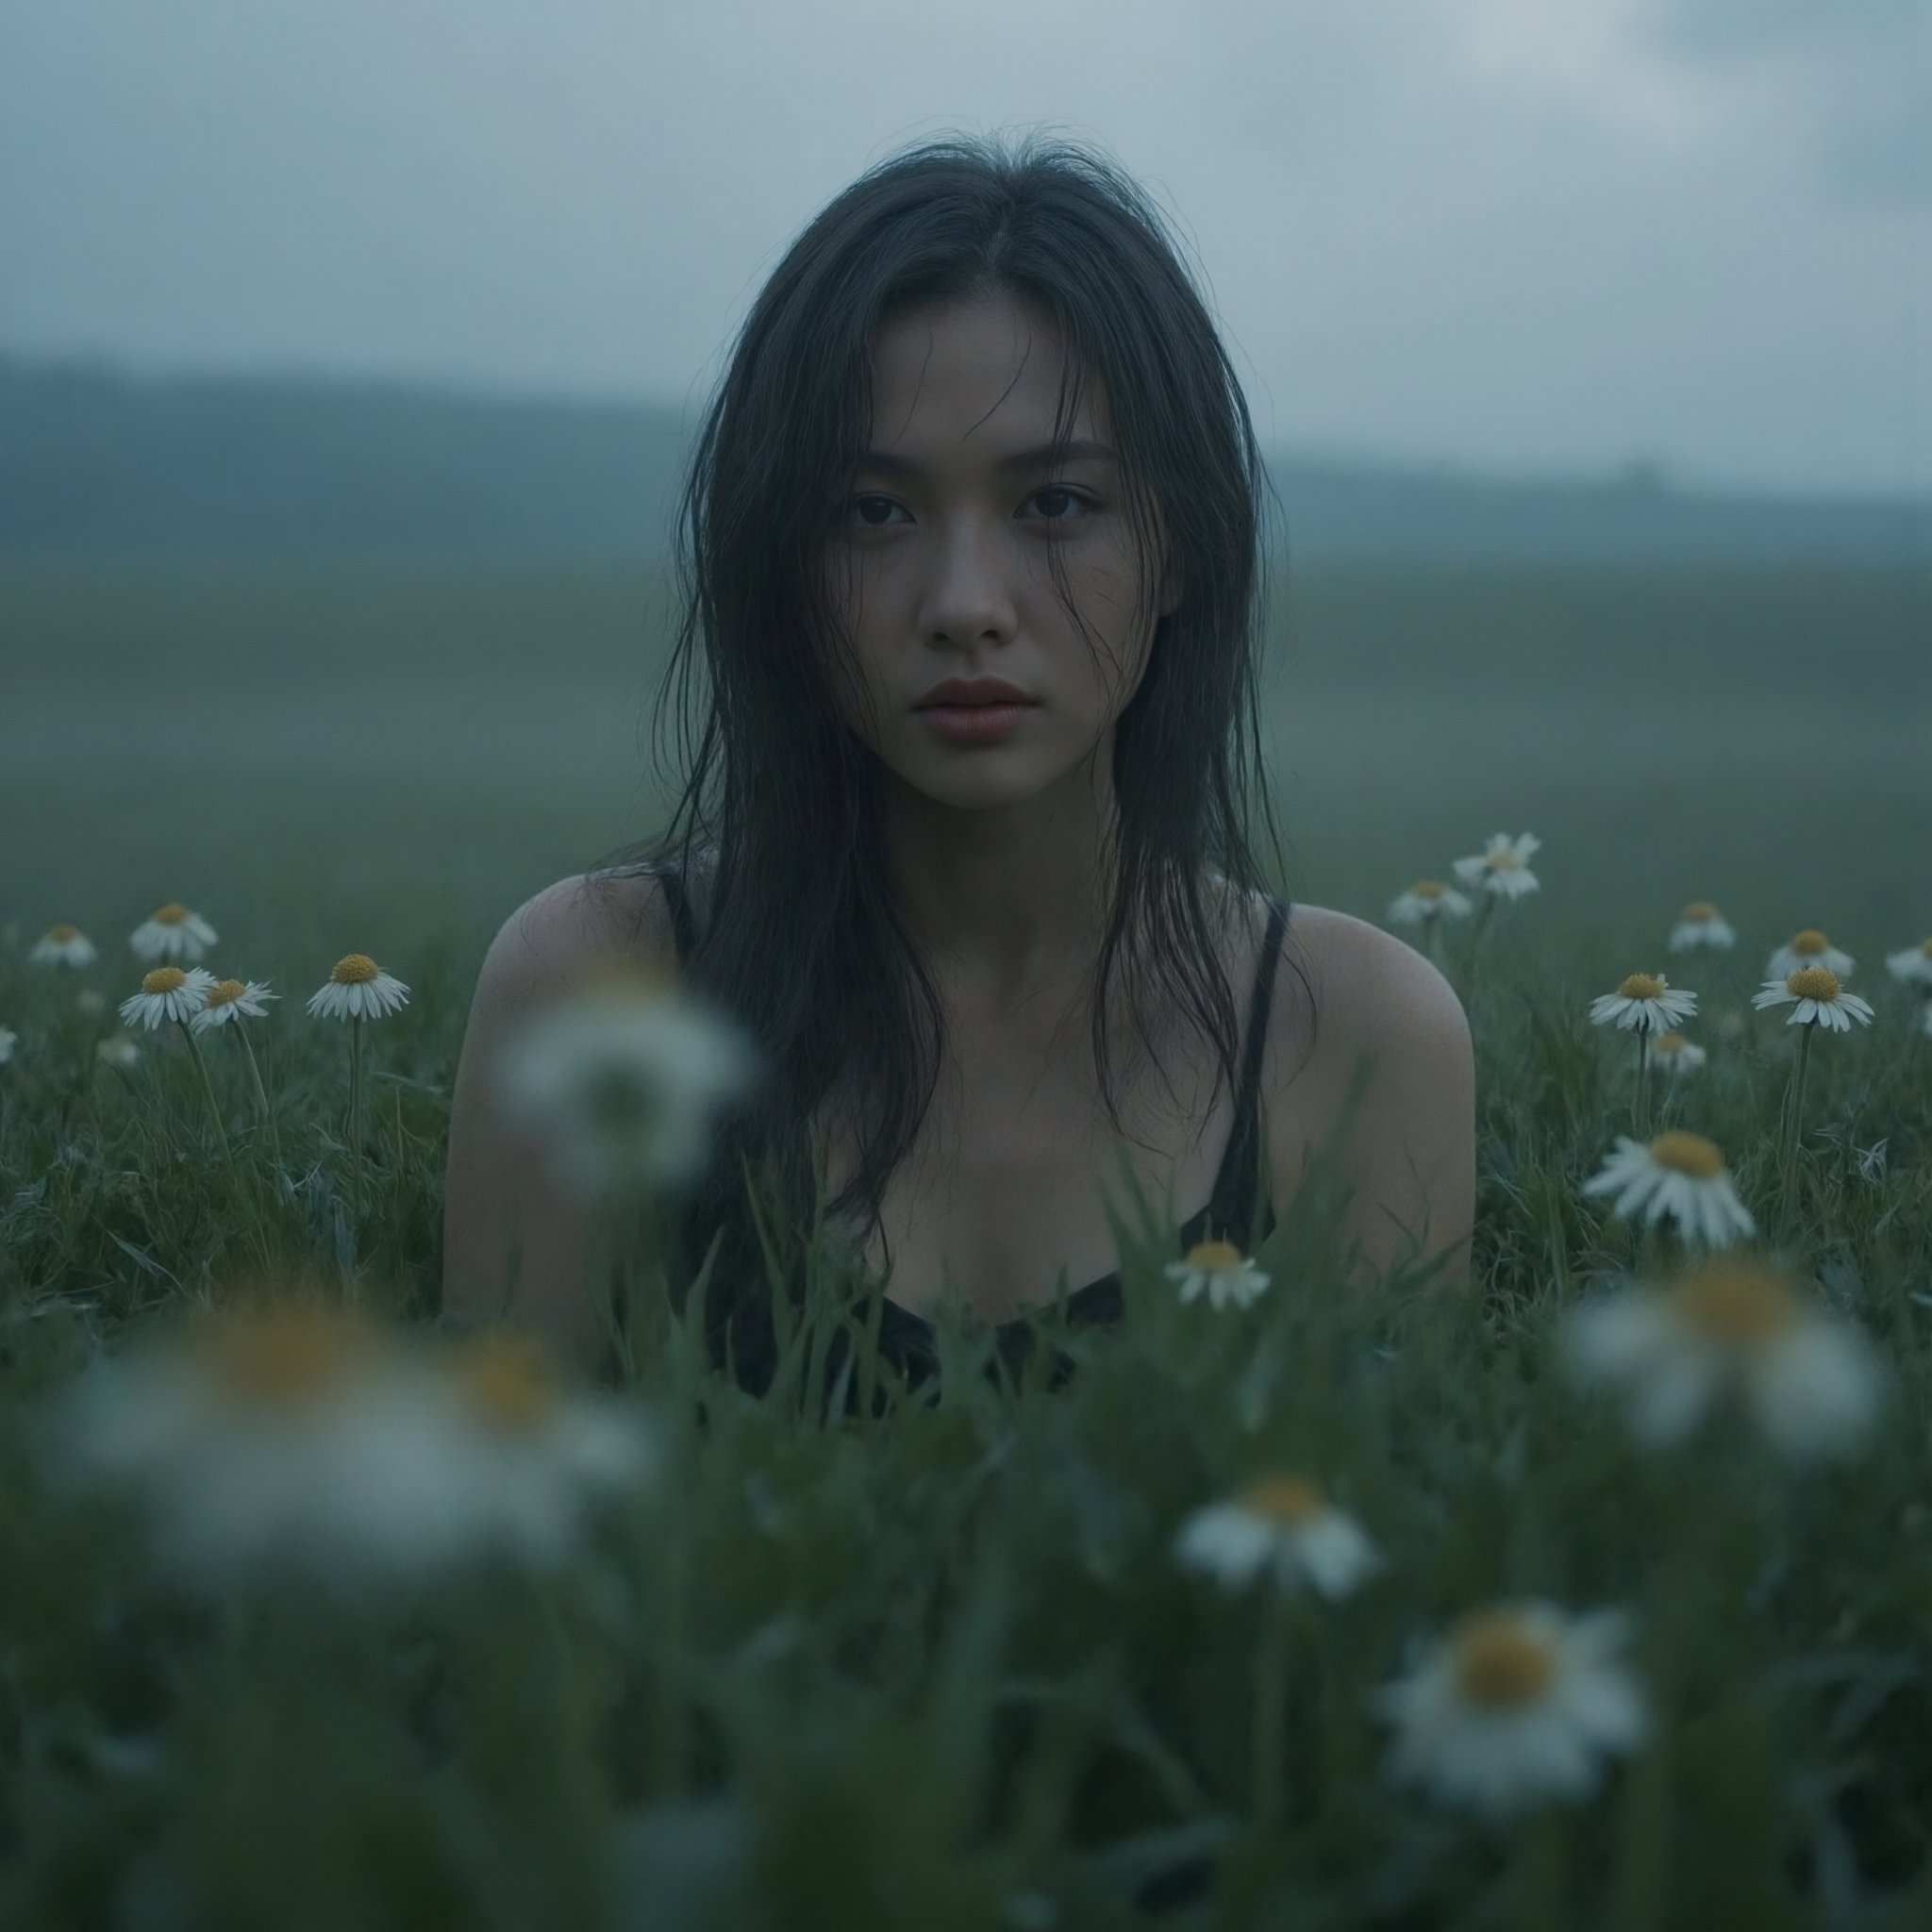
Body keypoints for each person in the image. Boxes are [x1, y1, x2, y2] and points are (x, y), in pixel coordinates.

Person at [441, 130, 1475, 1398]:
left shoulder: (1354, 1034)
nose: (966, 604)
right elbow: (504, 1563)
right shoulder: (600, 994)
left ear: (1186, 545)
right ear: (781, 563)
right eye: (874, 512)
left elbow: (1391, 1543)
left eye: (1056, 504)